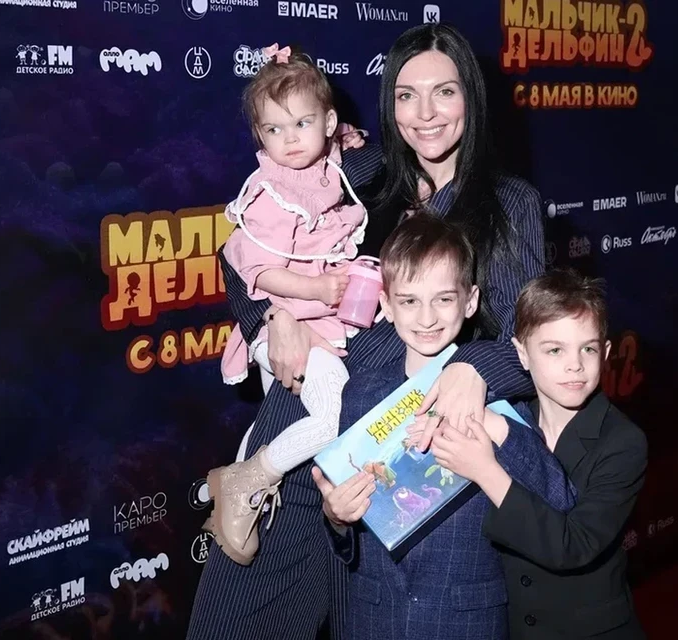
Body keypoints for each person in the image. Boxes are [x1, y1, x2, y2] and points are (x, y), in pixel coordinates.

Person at [187, 23, 546, 640]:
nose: (425, 114)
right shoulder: (367, 175)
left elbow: (529, 340)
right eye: (406, 95)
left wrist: (471, 367)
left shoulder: (507, 203)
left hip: (381, 466)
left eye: (445, 92)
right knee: (231, 619)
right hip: (297, 429)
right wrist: (273, 318)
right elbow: (239, 251)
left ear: (473, 97)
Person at [312, 212, 574, 640]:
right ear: (386, 305)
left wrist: (488, 419)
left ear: (470, 301)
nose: (427, 317)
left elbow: (557, 497)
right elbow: (350, 541)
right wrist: (336, 518)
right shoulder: (360, 393)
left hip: (466, 620)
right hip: (373, 619)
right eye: (410, 301)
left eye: (444, 299)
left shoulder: (494, 391)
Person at [204, 43, 374, 566]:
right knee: (333, 411)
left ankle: (238, 502)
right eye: (274, 129)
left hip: (323, 319)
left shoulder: (330, 168)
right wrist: (317, 290)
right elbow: (257, 270)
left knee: (277, 416)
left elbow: (338, 145)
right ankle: (245, 482)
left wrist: (345, 138)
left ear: (328, 123)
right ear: (260, 136)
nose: (291, 139)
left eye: (302, 124)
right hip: (280, 321)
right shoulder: (268, 192)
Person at [430, 269, 648, 639]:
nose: (575, 364)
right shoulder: (512, 416)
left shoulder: (623, 442)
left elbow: (573, 545)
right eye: (554, 350)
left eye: (588, 348)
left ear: (606, 353)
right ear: (522, 354)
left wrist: (487, 471)